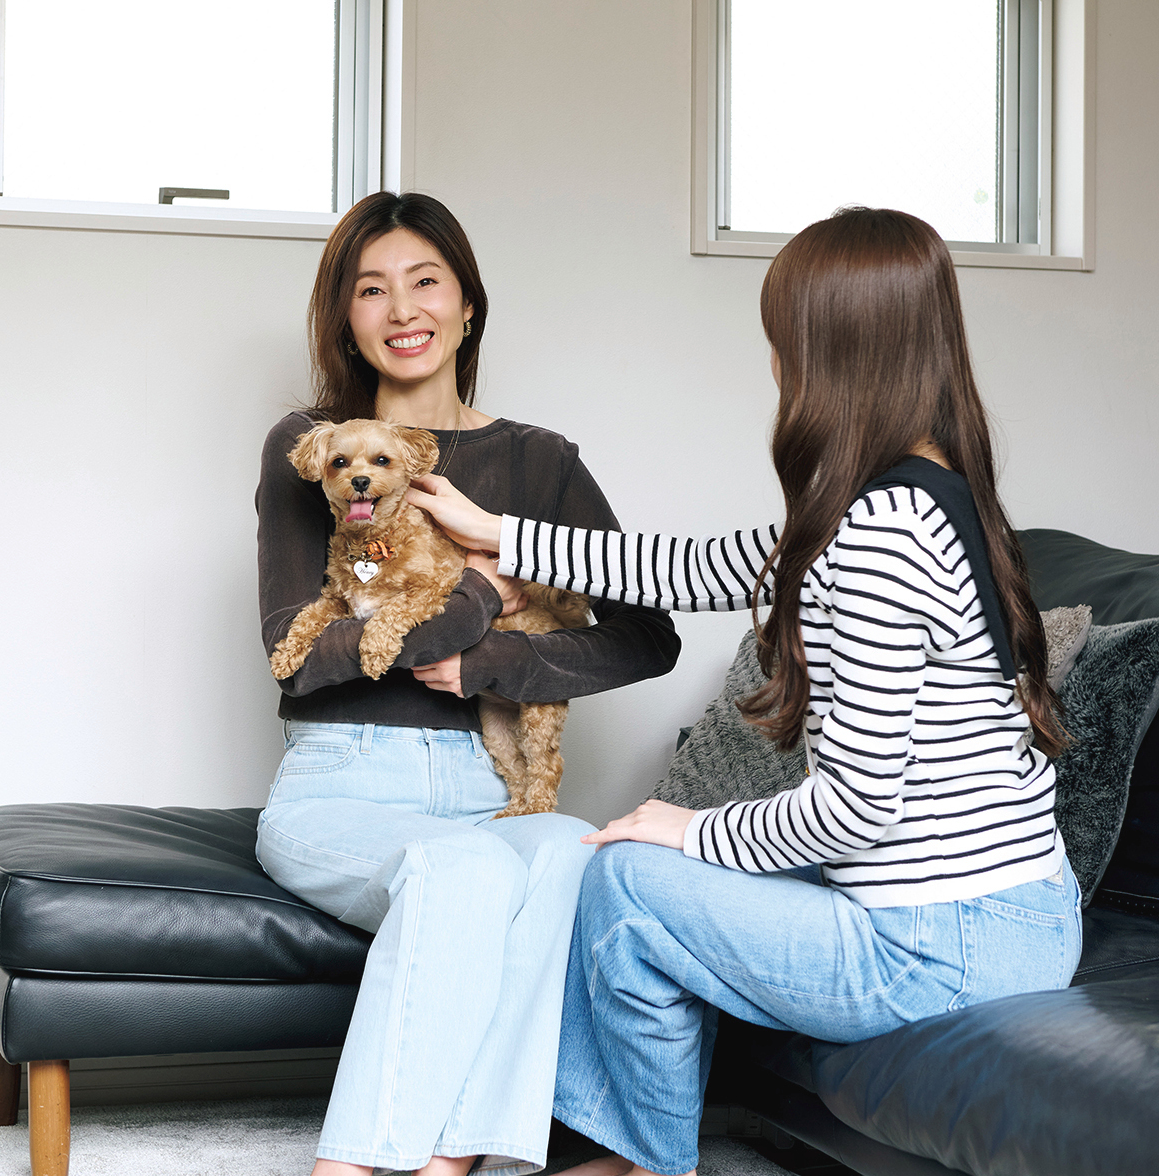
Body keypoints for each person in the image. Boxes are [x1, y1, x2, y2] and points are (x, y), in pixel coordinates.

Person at [406, 207, 1083, 1176]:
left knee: (628, 882)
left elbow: (855, 809)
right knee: (659, 874)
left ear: (828, 356)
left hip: (943, 944)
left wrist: (682, 827)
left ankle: (632, 1160)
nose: (773, 364)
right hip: (1011, 913)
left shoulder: (881, 536)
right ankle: (624, 1150)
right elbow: (689, 567)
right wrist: (501, 534)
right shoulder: (919, 490)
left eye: (782, 341)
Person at [254, 191, 680, 1176]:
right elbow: (301, 652)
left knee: (578, 854)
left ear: (468, 306)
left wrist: (489, 661)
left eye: (427, 281)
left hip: (492, 784)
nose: (403, 309)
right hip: (342, 781)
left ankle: (452, 1164)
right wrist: (481, 591)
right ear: (347, 320)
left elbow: (645, 636)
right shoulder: (316, 450)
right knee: (471, 868)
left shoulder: (539, 463)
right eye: (372, 289)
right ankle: (357, 1167)